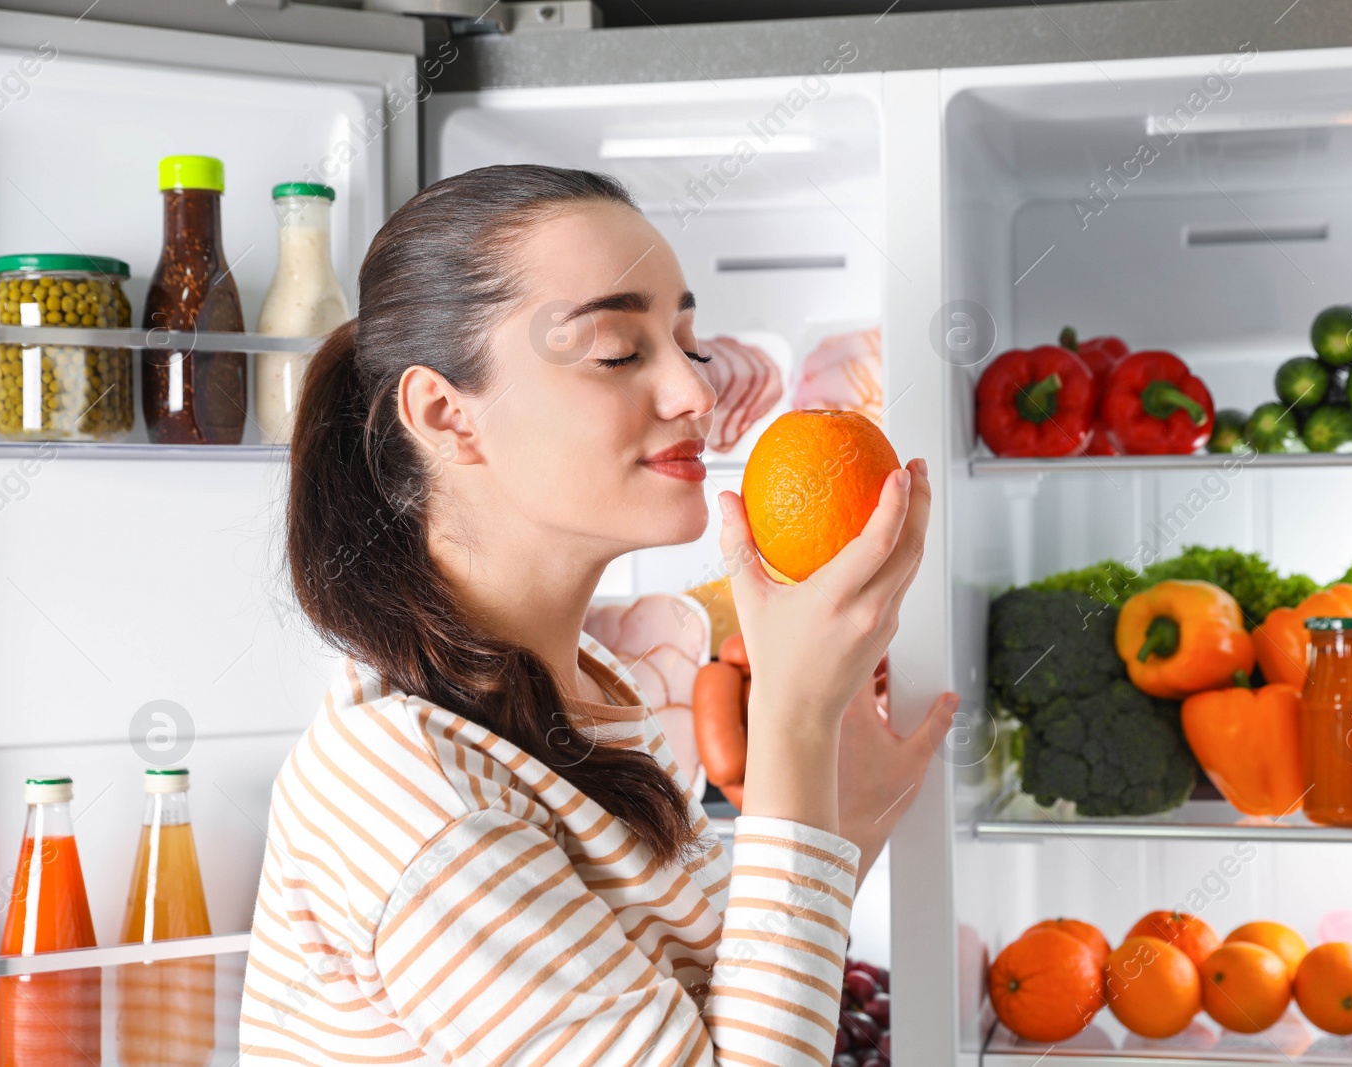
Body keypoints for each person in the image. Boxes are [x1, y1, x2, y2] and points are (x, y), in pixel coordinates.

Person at [239, 164, 956, 1065]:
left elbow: (709, 1015)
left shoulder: (582, 690)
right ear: (446, 413)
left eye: (687, 342)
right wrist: (792, 722)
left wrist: (834, 827)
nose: (696, 393)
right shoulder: (417, 799)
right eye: (619, 351)